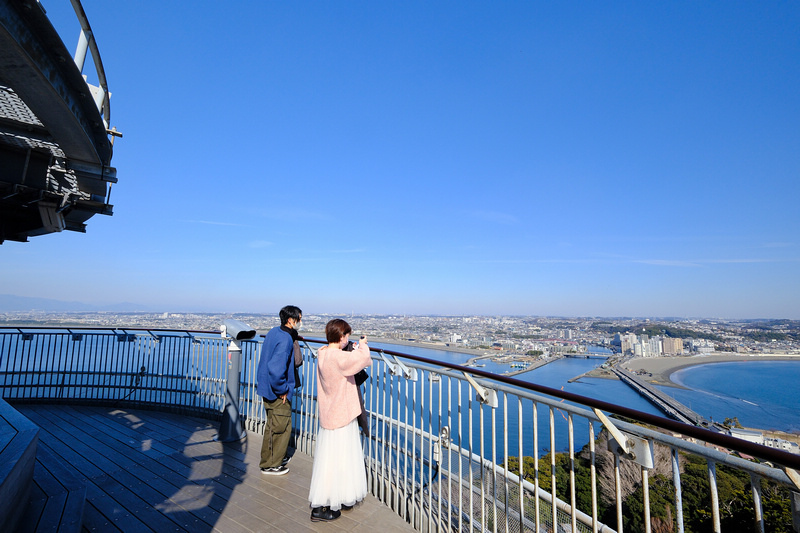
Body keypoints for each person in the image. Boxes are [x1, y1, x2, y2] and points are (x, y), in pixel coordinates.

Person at [308, 319, 371, 522]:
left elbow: (343, 361)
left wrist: (348, 349)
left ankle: (331, 499)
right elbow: (363, 359)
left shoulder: (324, 353)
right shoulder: (338, 358)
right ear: (341, 337)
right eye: (347, 336)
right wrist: (362, 344)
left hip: (329, 415)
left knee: (330, 459)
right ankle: (325, 505)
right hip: (342, 416)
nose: (348, 339)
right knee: (341, 459)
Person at [256, 305, 302, 476]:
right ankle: (271, 464)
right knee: (281, 426)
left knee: (272, 425)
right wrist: (282, 389)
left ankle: (270, 459)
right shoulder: (285, 340)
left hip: (266, 386)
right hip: (276, 391)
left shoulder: (274, 332)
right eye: (299, 319)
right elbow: (276, 369)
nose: (300, 322)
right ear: (291, 320)